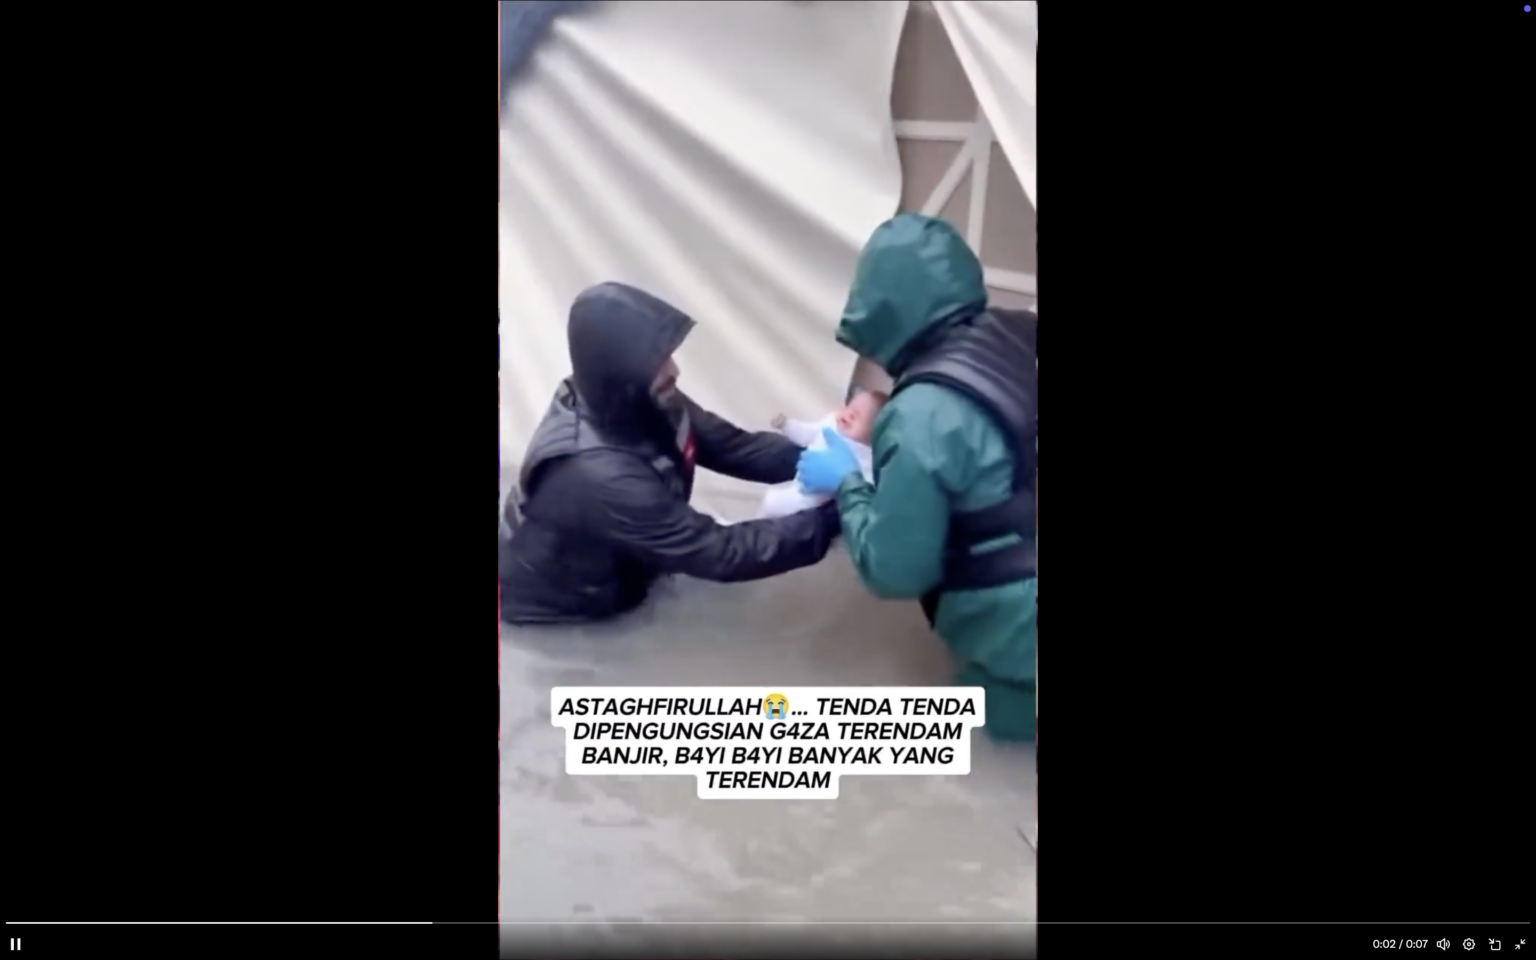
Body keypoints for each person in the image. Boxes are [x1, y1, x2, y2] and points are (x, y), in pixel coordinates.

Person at [797, 213, 1038, 742]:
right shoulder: (1022, 334)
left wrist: (848, 483)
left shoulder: (921, 413)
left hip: (1023, 634)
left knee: (971, 733)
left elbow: (897, 570)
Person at [499, 281, 842, 625]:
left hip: (619, 561)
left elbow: (738, 448)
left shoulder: (640, 397)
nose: (674, 370)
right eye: (655, 362)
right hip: (556, 610)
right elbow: (722, 552)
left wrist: (845, 459)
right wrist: (837, 513)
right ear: (618, 370)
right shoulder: (598, 471)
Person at [757, 389, 888, 519]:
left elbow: (866, 487)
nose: (848, 415)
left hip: (815, 504)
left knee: (773, 505)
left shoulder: (865, 456)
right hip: (799, 482)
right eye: (849, 408)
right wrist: (787, 425)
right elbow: (807, 433)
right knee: (770, 505)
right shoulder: (831, 424)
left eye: (856, 416)